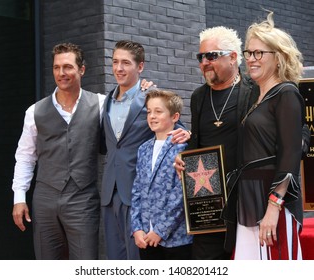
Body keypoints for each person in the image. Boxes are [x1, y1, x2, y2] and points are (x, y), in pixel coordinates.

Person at [222, 11, 305, 260]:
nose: (251, 59)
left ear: (278, 58)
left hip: (272, 201)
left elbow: (290, 153)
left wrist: (274, 206)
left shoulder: (286, 94)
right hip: (248, 199)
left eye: (259, 53)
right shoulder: (255, 97)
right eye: (248, 53)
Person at [11, 43, 105, 259]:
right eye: (56, 67)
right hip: (45, 199)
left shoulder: (100, 105)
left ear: (82, 69)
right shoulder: (35, 111)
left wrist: (142, 90)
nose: (61, 73)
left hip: (83, 199)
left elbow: (131, 120)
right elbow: (25, 157)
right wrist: (19, 197)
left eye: (68, 67)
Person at [100, 40, 190, 260]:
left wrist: (188, 135)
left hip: (138, 193)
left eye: (125, 63)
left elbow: (176, 128)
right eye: (115, 62)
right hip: (109, 192)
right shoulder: (106, 101)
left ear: (140, 67)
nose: (119, 68)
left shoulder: (150, 97)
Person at [174, 26, 258, 260]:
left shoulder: (254, 91)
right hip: (207, 202)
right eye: (201, 57)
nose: (204, 62)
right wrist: (184, 157)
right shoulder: (198, 97)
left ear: (232, 57)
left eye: (211, 56)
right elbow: (199, 142)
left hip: (246, 201)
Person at [131, 89, 193, 260]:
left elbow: (181, 195)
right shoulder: (143, 149)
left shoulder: (183, 148)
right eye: (149, 112)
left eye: (158, 111)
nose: (152, 116)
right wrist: (136, 228)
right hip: (145, 237)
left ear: (175, 117)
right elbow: (137, 190)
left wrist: (160, 230)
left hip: (176, 240)